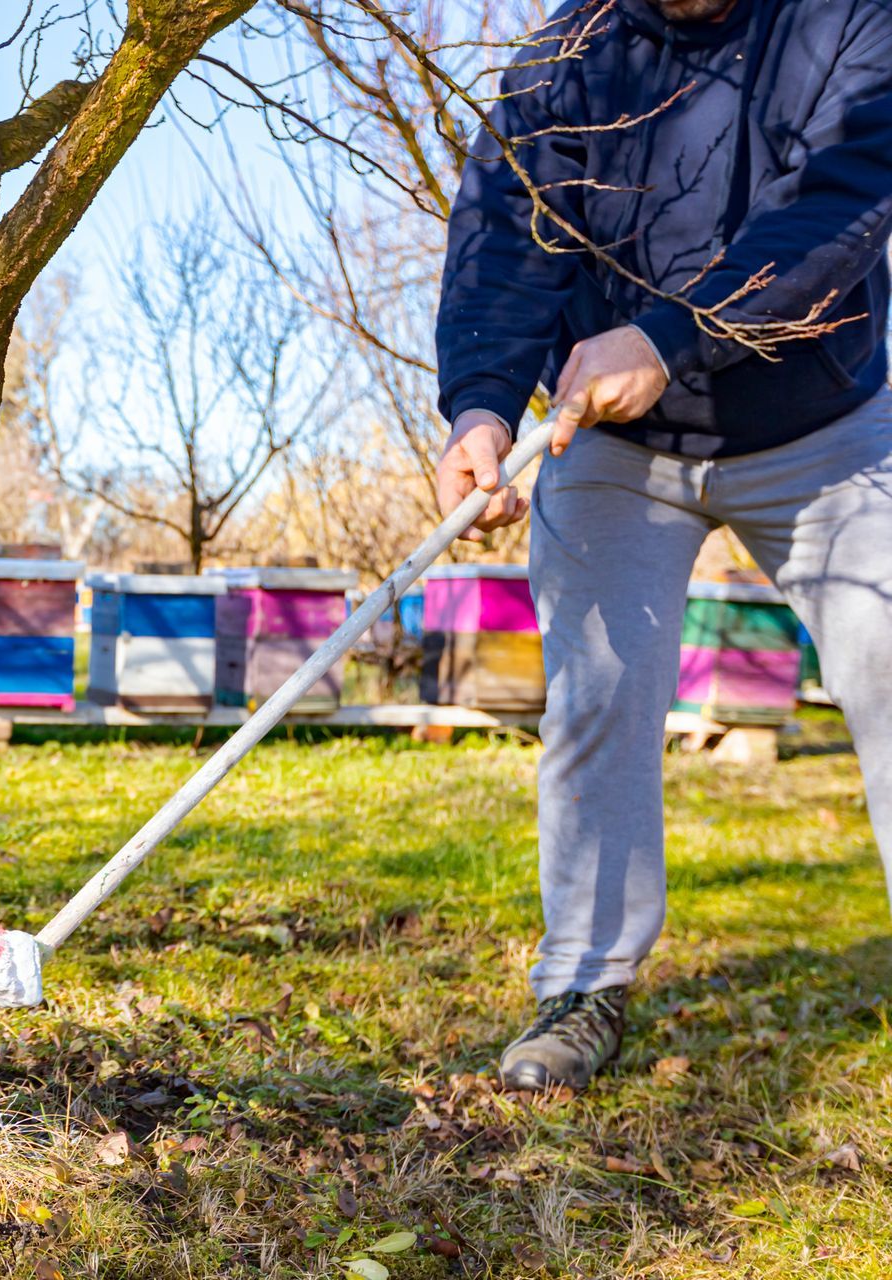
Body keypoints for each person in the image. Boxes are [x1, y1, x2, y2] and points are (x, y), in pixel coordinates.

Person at [434, 0, 892, 1091]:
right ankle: (583, 989)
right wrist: (483, 410)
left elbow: (833, 210)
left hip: (822, 429)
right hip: (611, 441)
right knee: (595, 695)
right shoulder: (561, 59)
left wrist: (668, 335)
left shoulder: (851, 21)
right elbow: (505, 244)